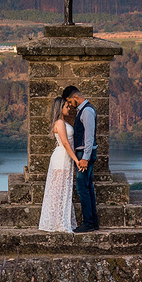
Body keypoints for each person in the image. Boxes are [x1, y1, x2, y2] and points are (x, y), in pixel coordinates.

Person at [37, 97, 84, 233]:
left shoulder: (62, 122)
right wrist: (77, 160)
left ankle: (60, 220)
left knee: (63, 190)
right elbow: (65, 143)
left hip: (64, 158)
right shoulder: (60, 122)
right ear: (60, 107)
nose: (69, 108)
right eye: (66, 106)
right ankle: (56, 222)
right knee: (58, 190)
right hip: (61, 158)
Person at [62, 85, 99, 232]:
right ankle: (93, 222)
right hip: (84, 154)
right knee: (88, 188)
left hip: (84, 154)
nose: (70, 105)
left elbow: (89, 137)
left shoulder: (87, 111)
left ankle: (88, 223)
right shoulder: (83, 110)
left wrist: (85, 158)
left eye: (70, 101)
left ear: (75, 97)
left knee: (82, 188)